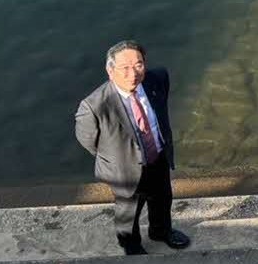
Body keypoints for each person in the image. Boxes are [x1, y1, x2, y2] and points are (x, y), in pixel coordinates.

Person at [74, 41, 190, 255]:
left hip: (158, 157)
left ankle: (161, 231)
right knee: (129, 211)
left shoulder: (157, 79)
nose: (133, 74)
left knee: (163, 198)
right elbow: (88, 140)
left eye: (138, 65)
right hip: (124, 170)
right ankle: (131, 245)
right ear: (110, 71)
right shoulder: (94, 106)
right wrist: (117, 158)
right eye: (124, 68)